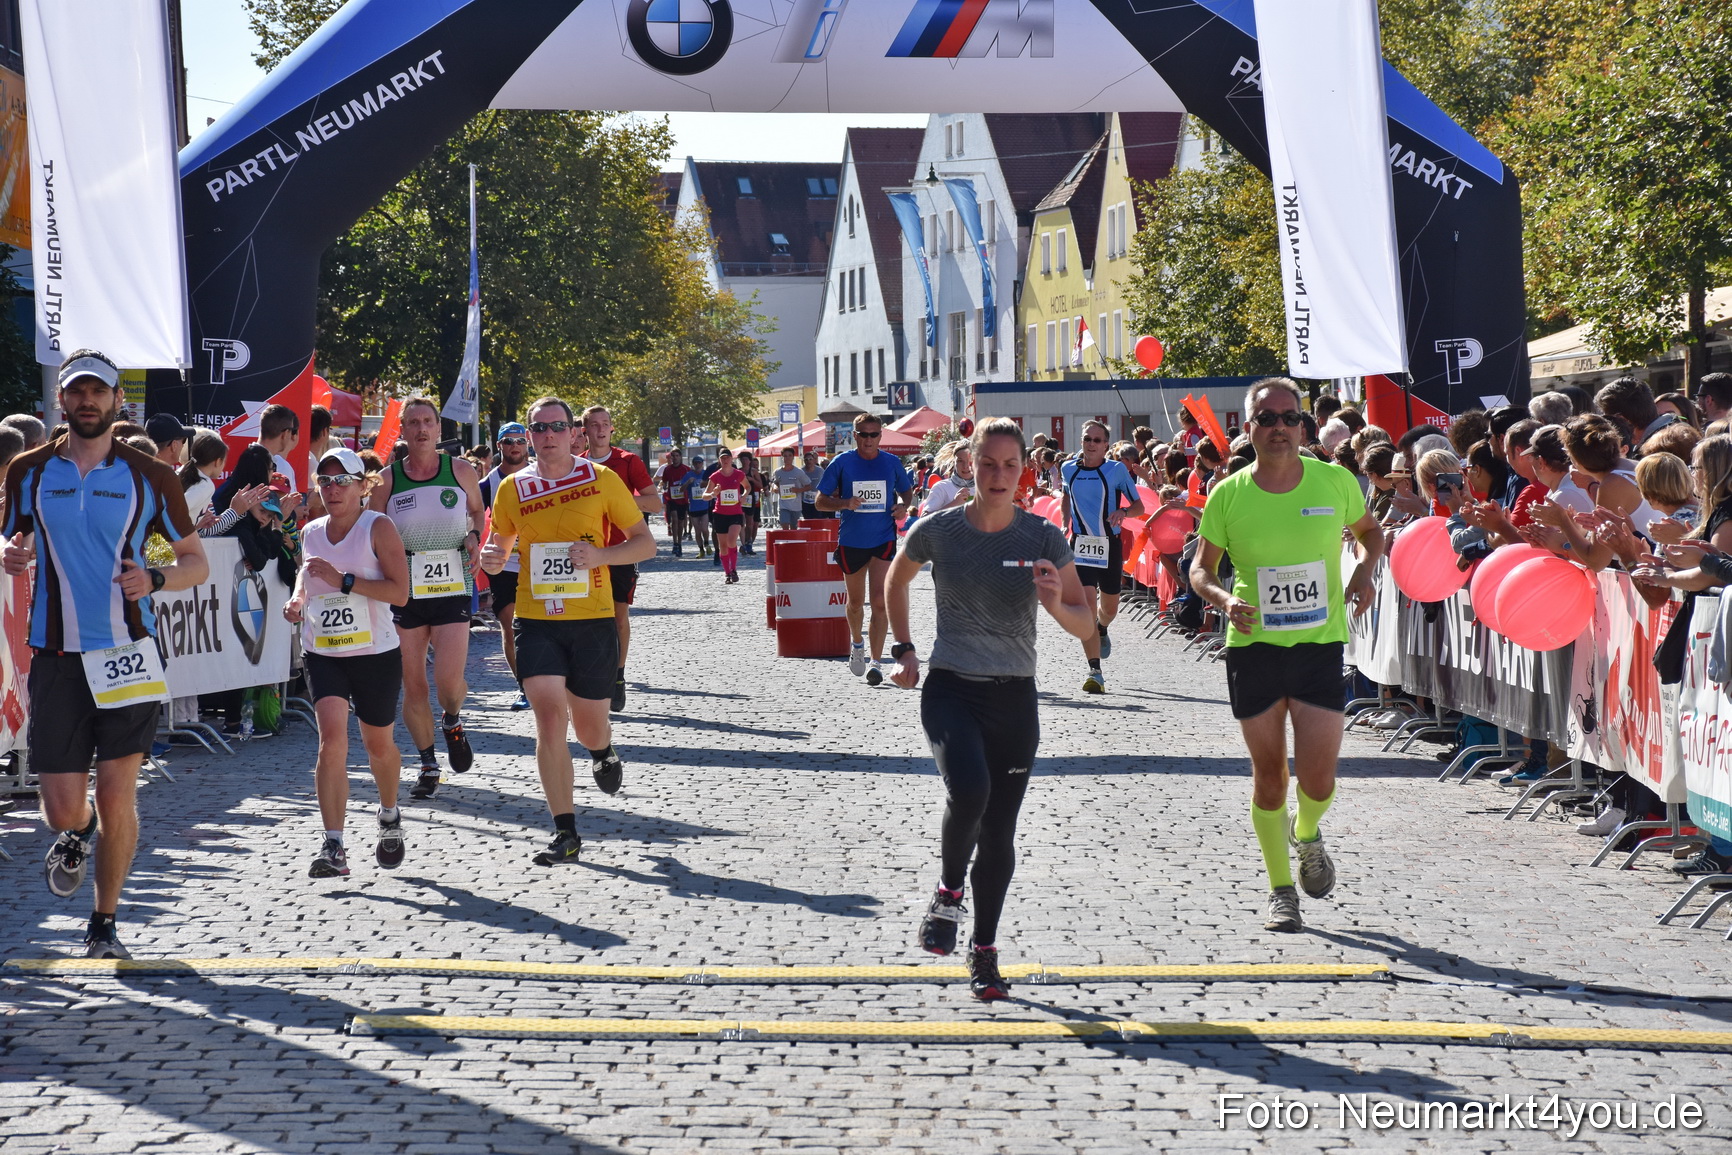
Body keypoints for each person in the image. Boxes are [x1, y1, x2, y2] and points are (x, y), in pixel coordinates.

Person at [2, 350, 209, 958]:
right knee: (61, 806)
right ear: (60, 402)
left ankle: (104, 923)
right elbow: (7, 533)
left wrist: (158, 578)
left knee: (120, 791)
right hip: (57, 656)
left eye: (99, 392)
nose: (88, 401)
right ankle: (78, 831)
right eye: (77, 392)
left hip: (128, 652)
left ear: (119, 401)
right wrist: (8, 554)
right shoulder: (27, 471)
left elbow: (195, 561)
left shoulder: (153, 476)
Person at [886, 417, 1092, 1001]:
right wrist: (903, 648)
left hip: (1015, 696)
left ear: (1024, 468)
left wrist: (1055, 603)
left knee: (1000, 832)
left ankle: (984, 952)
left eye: (1009, 464)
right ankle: (949, 892)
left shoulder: (1043, 539)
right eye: (987, 464)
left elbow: (1087, 625)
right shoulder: (938, 530)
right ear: (968, 467)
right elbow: (895, 582)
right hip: (952, 686)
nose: (999, 475)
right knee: (969, 791)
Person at [1189, 377, 1384, 934]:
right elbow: (1199, 570)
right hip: (1253, 649)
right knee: (1270, 779)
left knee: (1318, 783)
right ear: (1248, 428)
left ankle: (1306, 833)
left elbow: (1371, 532)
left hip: (1319, 645)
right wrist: (1224, 599)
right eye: (1266, 418)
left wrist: (1365, 572)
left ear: (1302, 425)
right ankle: (1281, 891)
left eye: (1289, 417)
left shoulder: (1335, 481)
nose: (1279, 427)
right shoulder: (1229, 494)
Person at [480, 398, 655, 866]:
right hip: (536, 619)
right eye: (539, 428)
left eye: (557, 426)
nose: (548, 435)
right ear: (530, 436)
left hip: (592, 620)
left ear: (573, 433)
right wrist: (492, 559)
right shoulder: (513, 488)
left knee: (588, 725)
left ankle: (602, 751)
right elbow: (499, 544)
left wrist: (600, 557)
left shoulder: (602, 480)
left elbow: (646, 543)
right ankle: (565, 831)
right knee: (549, 717)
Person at [283, 448, 411, 877]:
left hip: (374, 653)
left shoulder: (380, 527)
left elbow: (400, 594)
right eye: (325, 480)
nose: (333, 489)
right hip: (324, 651)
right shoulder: (311, 530)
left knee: (378, 747)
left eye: (342, 481)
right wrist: (299, 598)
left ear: (362, 485)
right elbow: (308, 572)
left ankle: (389, 813)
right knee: (331, 741)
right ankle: (333, 845)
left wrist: (346, 582)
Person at [369, 396, 484, 798]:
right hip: (404, 592)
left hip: (453, 584)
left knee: (448, 681)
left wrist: (473, 536)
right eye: (413, 422)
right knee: (413, 685)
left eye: (427, 422)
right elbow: (371, 531)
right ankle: (428, 763)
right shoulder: (386, 481)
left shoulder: (462, 471)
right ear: (402, 430)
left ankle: (452, 718)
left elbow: (476, 513)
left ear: (438, 428)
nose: (421, 429)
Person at [816, 413, 914, 685]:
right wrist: (845, 503)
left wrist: (903, 507)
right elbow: (820, 501)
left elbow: (908, 492)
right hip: (851, 541)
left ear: (881, 436)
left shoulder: (892, 463)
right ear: (855, 435)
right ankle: (857, 643)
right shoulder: (842, 462)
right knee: (856, 603)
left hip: (883, 539)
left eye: (874, 434)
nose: (869, 439)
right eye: (863, 434)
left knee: (881, 603)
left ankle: (876, 662)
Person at [581, 407, 662, 711]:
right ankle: (588, 675)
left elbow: (654, 503)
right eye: (594, 425)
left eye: (605, 425)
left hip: (620, 551)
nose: (601, 430)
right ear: (584, 431)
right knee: (585, 619)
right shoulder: (576, 465)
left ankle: (618, 676)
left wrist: (618, 501)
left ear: (612, 429)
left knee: (618, 617)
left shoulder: (628, 462)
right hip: (584, 554)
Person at [1061, 420, 1144, 692]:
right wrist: (1065, 520)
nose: (1091, 444)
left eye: (1097, 440)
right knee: (1085, 607)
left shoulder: (1116, 470)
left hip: (1110, 545)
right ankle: (1095, 671)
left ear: (1106, 445)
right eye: (1087, 438)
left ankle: (1102, 627)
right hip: (1082, 546)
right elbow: (1066, 496)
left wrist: (1123, 513)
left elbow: (1139, 506)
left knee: (1108, 610)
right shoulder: (1068, 468)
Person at [479, 422, 533, 709]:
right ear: (499, 446)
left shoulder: (541, 475)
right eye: (508, 441)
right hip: (503, 565)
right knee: (510, 626)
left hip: (539, 564)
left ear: (527, 445)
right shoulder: (487, 484)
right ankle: (523, 687)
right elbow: (475, 519)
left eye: (520, 441)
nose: (515, 446)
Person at [703, 448, 749, 584]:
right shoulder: (715, 476)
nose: (725, 460)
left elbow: (748, 486)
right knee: (723, 546)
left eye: (727, 458)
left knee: (731, 540)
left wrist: (744, 495)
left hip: (735, 512)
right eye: (722, 458)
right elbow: (704, 496)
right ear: (719, 460)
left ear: (731, 459)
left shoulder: (739, 474)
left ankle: (734, 569)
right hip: (720, 514)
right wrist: (713, 494)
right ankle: (727, 573)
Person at [921, 440, 974, 515]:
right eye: (960, 461)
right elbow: (924, 519)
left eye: (970, 460)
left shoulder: (986, 488)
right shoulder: (941, 487)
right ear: (954, 462)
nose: (966, 466)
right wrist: (954, 504)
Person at [656, 448, 693, 555]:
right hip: (671, 498)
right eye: (673, 456)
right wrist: (663, 487)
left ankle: (679, 543)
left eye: (677, 456)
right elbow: (664, 481)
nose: (675, 458)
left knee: (681, 522)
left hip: (683, 499)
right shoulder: (667, 469)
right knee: (674, 519)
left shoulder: (686, 469)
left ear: (680, 457)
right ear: (671, 458)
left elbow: (690, 483)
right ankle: (675, 543)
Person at [773, 447, 811, 529]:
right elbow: (775, 483)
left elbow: (808, 486)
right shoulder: (777, 472)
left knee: (794, 527)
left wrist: (798, 490)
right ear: (782, 457)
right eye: (785, 456)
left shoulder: (798, 472)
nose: (787, 458)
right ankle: (786, 540)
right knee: (785, 524)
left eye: (789, 455)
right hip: (783, 505)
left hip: (795, 506)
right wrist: (775, 488)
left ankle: (792, 541)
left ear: (793, 457)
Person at [686, 457, 714, 559]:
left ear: (702, 463)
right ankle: (701, 549)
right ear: (693, 464)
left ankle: (707, 543)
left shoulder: (706, 474)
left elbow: (712, 485)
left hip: (704, 505)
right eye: (695, 463)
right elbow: (681, 489)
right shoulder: (689, 475)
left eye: (699, 463)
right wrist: (687, 483)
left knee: (704, 529)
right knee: (697, 531)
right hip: (693, 507)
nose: (697, 465)